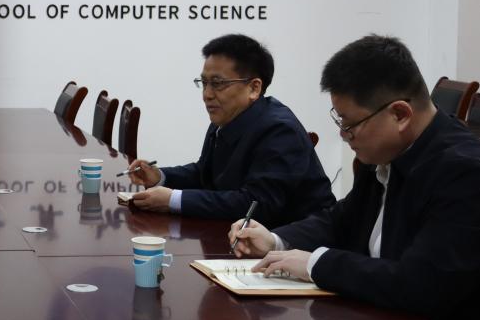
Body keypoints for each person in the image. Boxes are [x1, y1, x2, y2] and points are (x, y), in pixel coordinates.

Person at [231, 35, 480, 320]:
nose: (344, 136)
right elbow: (341, 219)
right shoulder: (387, 152)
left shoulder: (467, 175)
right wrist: (276, 240)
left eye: (350, 124)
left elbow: (419, 286)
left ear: (400, 114)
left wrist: (316, 264)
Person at [127, 33, 333, 225]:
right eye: (204, 83)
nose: (207, 94)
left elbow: (256, 204)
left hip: (296, 241)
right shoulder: (226, 117)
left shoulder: (279, 131)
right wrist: (160, 176)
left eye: (218, 84)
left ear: (254, 88)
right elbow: (204, 173)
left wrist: (173, 199)